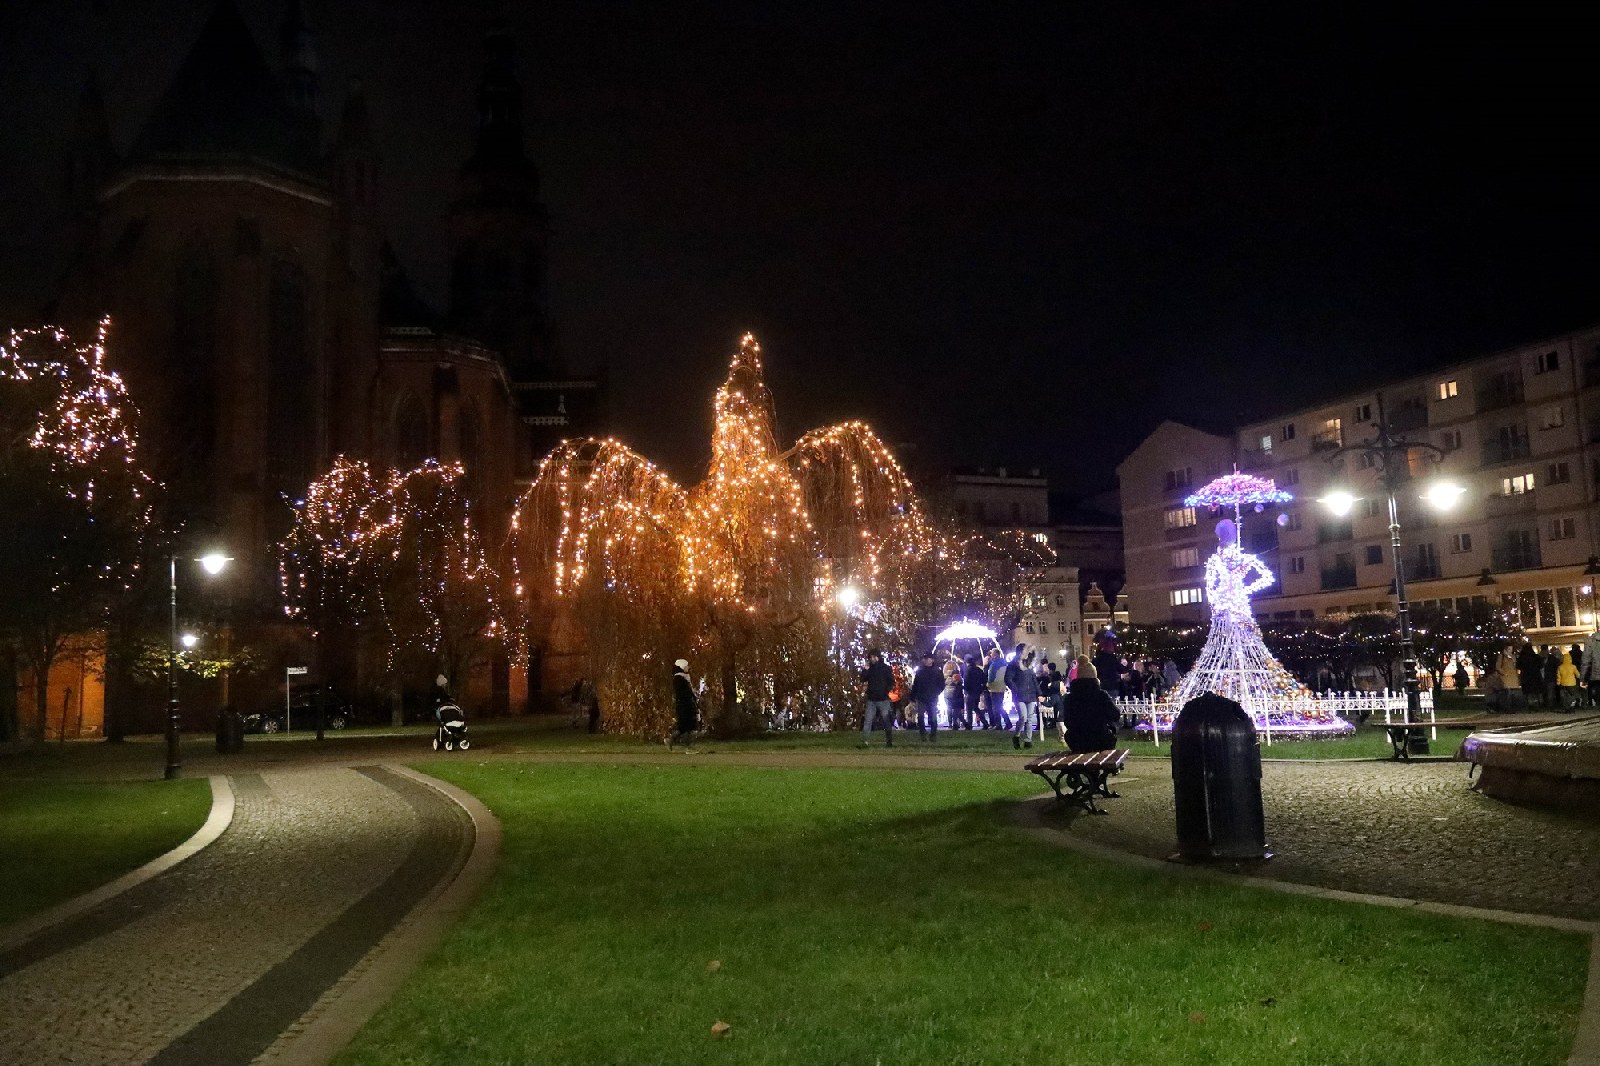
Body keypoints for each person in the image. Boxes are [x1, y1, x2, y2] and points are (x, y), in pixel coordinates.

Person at [1062, 655, 1119, 753]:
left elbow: (1067, 721)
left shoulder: (1070, 698)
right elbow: (1115, 715)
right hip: (1101, 740)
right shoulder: (1101, 695)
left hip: (1077, 741)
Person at [1006, 643, 1040, 749]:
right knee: (1023, 717)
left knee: (1029, 718)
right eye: (1025, 651)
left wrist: (1039, 693)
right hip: (1020, 695)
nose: (1027, 653)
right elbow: (1008, 679)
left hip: (1031, 694)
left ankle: (1028, 740)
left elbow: (1034, 680)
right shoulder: (1013, 665)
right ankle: (1016, 735)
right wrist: (1016, 689)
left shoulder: (1028, 664)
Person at [859, 648, 895, 747]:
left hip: (882, 698)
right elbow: (862, 679)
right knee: (868, 720)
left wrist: (885, 691)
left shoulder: (885, 668)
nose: (872, 659)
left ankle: (889, 741)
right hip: (872, 698)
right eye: (871, 657)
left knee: (885, 720)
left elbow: (891, 682)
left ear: (878, 657)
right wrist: (865, 670)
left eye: (874, 657)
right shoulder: (870, 668)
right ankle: (865, 742)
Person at [910, 651, 944, 742]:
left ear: (932, 660)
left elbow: (941, 684)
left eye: (926, 658)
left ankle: (932, 735)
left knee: (932, 717)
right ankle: (923, 734)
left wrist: (936, 692)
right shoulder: (920, 671)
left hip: (932, 697)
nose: (924, 660)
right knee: (921, 717)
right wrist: (913, 696)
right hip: (921, 697)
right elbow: (915, 685)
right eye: (924, 659)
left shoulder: (937, 671)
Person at [670, 659, 698, 748]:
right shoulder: (678, 678)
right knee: (686, 726)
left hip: (688, 704)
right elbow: (683, 693)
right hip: (683, 705)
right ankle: (687, 745)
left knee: (688, 726)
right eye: (686, 666)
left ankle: (675, 741)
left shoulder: (685, 678)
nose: (688, 668)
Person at [984, 647, 1011, 730]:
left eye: (992, 654)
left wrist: (987, 684)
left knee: (996, 707)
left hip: (994, 687)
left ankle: (999, 724)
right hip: (1002, 686)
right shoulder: (1004, 663)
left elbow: (991, 677)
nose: (991, 655)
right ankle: (1007, 722)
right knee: (1000, 706)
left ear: (995, 655)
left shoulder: (994, 665)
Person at [961, 653, 985, 730]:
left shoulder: (968, 670)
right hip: (977, 691)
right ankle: (985, 722)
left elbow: (966, 681)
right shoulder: (978, 669)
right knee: (975, 707)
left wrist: (965, 689)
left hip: (970, 691)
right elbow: (984, 679)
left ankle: (969, 724)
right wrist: (981, 688)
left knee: (969, 709)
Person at [1038, 660, 1063, 734]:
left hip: (1050, 694)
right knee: (1055, 710)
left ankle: (1049, 723)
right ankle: (1052, 722)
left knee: (1049, 708)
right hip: (1055, 695)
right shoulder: (1057, 676)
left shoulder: (1049, 677)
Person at [942, 657, 965, 731]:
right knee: (956, 709)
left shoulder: (944, 675)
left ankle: (950, 723)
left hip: (947, 694)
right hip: (955, 694)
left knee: (949, 708)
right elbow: (960, 684)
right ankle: (957, 723)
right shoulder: (957, 675)